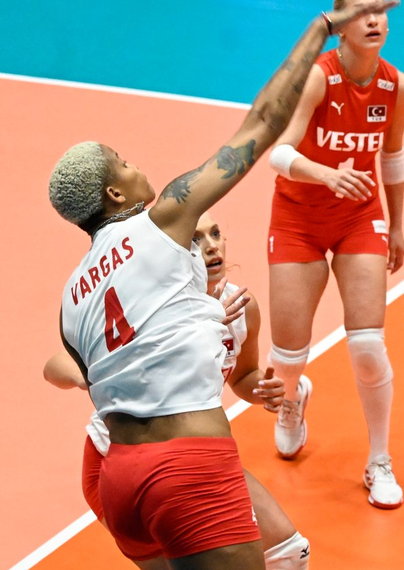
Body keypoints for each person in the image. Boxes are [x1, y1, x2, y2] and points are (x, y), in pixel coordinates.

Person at [49, 0, 397, 569]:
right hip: (187, 468)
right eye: (125, 162)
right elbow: (262, 123)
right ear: (115, 194)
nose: (138, 167)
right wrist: (321, 32)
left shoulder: (72, 296)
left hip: (117, 480)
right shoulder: (164, 221)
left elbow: (93, 377)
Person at [44, 212, 311, 570]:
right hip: (118, 461)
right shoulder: (156, 308)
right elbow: (53, 367)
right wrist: (87, 376)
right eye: (195, 239)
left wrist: (261, 390)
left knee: (290, 555)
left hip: (193, 458)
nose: (211, 245)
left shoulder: (242, 308)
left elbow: (242, 374)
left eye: (215, 233)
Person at [265, 0, 404, 510]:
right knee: (286, 358)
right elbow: (278, 152)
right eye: (361, 12)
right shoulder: (318, 78)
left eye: (380, 10)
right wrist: (326, 175)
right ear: (341, 24)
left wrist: (395, 226)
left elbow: (391, 157)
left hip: (359, 218)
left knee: (368, 345)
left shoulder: (398, 87)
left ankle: (379, 462)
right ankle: (292, 400)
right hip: (300, 214)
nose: (374, 20)